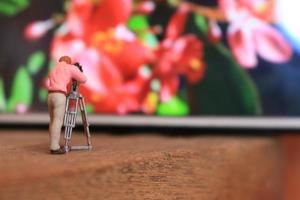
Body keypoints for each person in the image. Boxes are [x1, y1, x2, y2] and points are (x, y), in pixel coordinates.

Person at [46, 56, 87, 154]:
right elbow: (84, 79)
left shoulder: (54, 68)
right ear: (68, 62)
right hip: (59, 95)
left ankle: (53, 143)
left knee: (52, 121)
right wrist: (77, 70)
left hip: (50, 95)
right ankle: (54, 147)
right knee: (58, 121)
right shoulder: (69, 67)